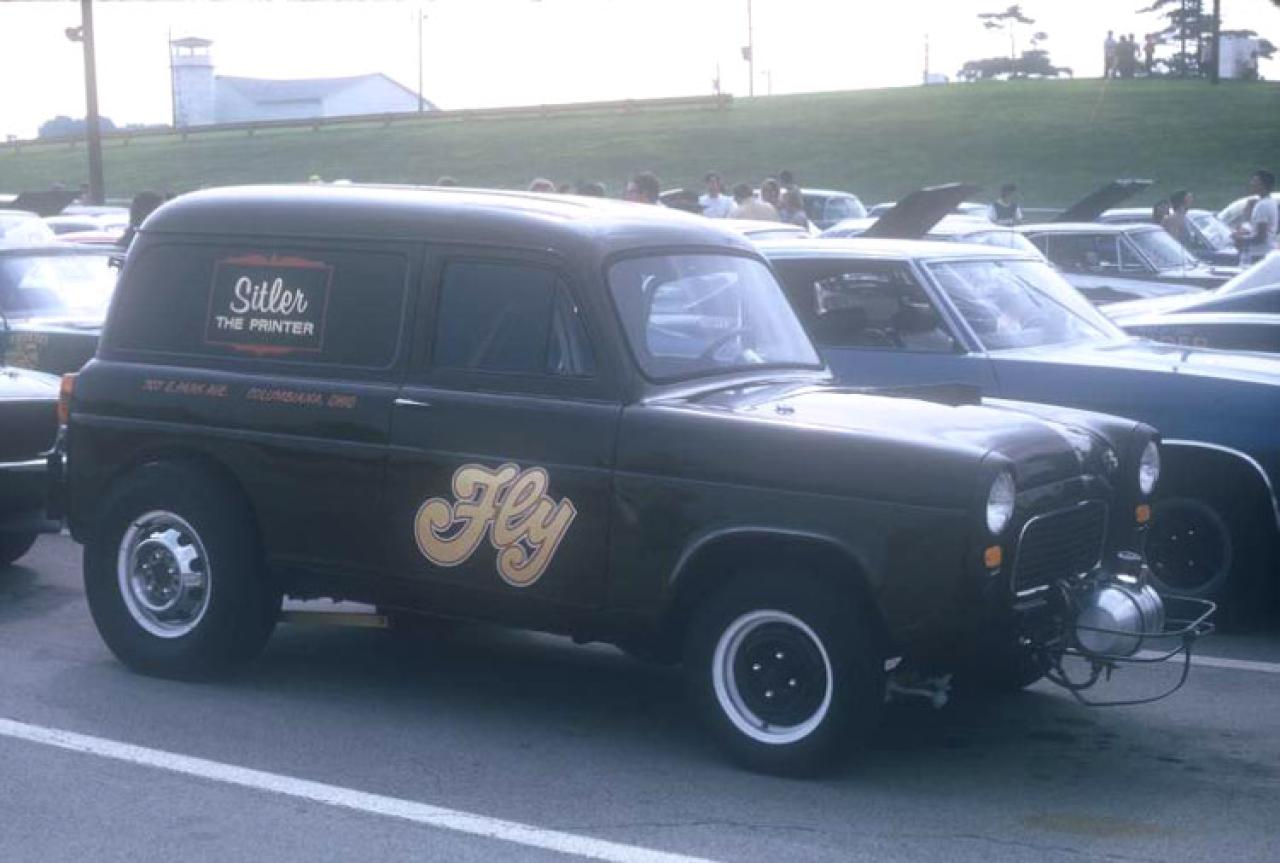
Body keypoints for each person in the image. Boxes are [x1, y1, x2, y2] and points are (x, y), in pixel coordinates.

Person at [1236, 170, 1278, 264]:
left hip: (1260, 254)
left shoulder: (1262, 205)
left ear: (1263, 185)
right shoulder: (1270, 202)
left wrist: (1240, 239)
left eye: (1255, 181)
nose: (1251, 183)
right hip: (1265, 251)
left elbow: (1261, 237)